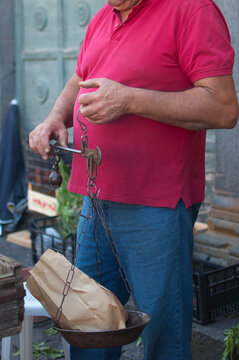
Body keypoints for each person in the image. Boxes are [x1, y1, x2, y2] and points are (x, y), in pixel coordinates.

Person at [29, 0, 238, 359]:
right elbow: (79, 78)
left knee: (163, 335)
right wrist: (55, 117)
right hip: (96, 202)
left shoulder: (191, 10)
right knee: (88, 325)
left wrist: (128, 100)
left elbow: (223, 108)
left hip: (156, 206)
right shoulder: (102, 18)